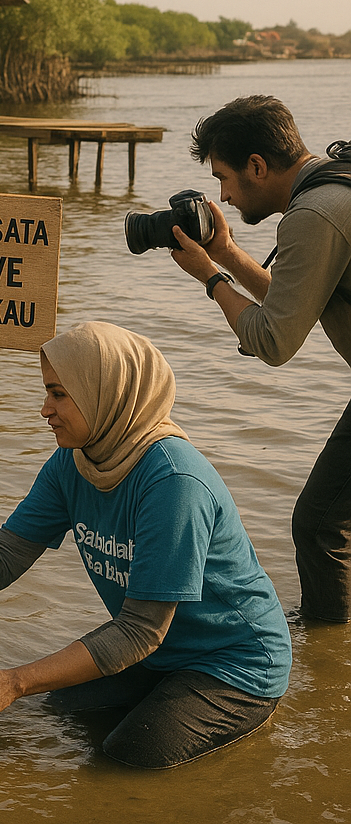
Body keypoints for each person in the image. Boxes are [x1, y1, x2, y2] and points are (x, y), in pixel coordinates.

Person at [0, 321, 291, 769]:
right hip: (159, 653)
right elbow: (0, 562)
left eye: (58, 394)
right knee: (55, 716)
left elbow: (140, 630)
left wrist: (14, 681)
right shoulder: (73, 464)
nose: (45, 409)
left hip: (234, 663)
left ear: (104, 393)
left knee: (126, 758)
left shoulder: (173, 482)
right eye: (47, 392)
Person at [170, 94, 351, 623]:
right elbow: (293, 301)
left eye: (224, 178)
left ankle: (324, 653)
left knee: (319, 525)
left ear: (258, 165)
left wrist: (210, 279)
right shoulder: (333, 183)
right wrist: (225, 254)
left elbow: (273, 341)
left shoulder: (314, 214)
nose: (221, 196)